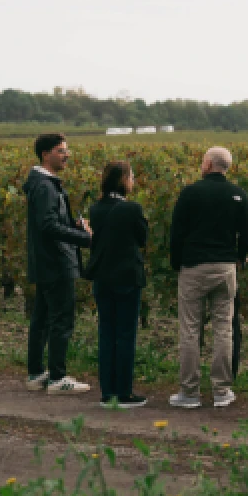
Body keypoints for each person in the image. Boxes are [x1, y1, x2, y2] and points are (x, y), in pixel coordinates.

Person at [168, 146, 248, 409]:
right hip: (225, 266)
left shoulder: (190, 193)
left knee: (190, 329)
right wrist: (239, 256)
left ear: (207, 164)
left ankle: (190, 392)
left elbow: (176, 232)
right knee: (223, 328)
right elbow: (246, 233)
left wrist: (176, 263)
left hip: (193, 266)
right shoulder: (238, 194)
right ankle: (222, 390)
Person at [24, 133, 93, 394]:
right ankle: (57, 378)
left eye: (66, 150)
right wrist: (84, 238)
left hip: (46, 262)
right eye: (61, 151)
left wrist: (71, 226)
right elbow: (48, 226)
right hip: (56, 262)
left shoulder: (44, 184)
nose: (67, 155)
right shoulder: (45, 186)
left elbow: (50, 222)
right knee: (61, 320)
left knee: (41, 318)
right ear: (46, 154)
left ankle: (36, 374)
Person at [86, 160, 149, 409]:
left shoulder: (95, 209)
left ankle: (107, 392)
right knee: (125, 335)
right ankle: (124, 393)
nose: (133, 181)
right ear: (123, 180)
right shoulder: (132, 209)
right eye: (131, 176)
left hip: (102, 277)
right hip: (127, 277)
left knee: (106, 333)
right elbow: (142, 238)